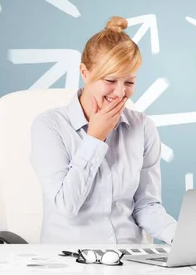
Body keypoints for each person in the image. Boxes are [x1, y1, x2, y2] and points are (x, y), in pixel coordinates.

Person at [30, 16, 177, 245]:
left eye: (129, 82)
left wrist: (181, 237)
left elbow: (146, 205)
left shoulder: (143, 127)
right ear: (85, 72)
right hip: (70, 261)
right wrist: (95, 138)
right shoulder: (49, 126)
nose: (120, 93)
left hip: (129, 260)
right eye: (110, 80)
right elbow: (67, 206)